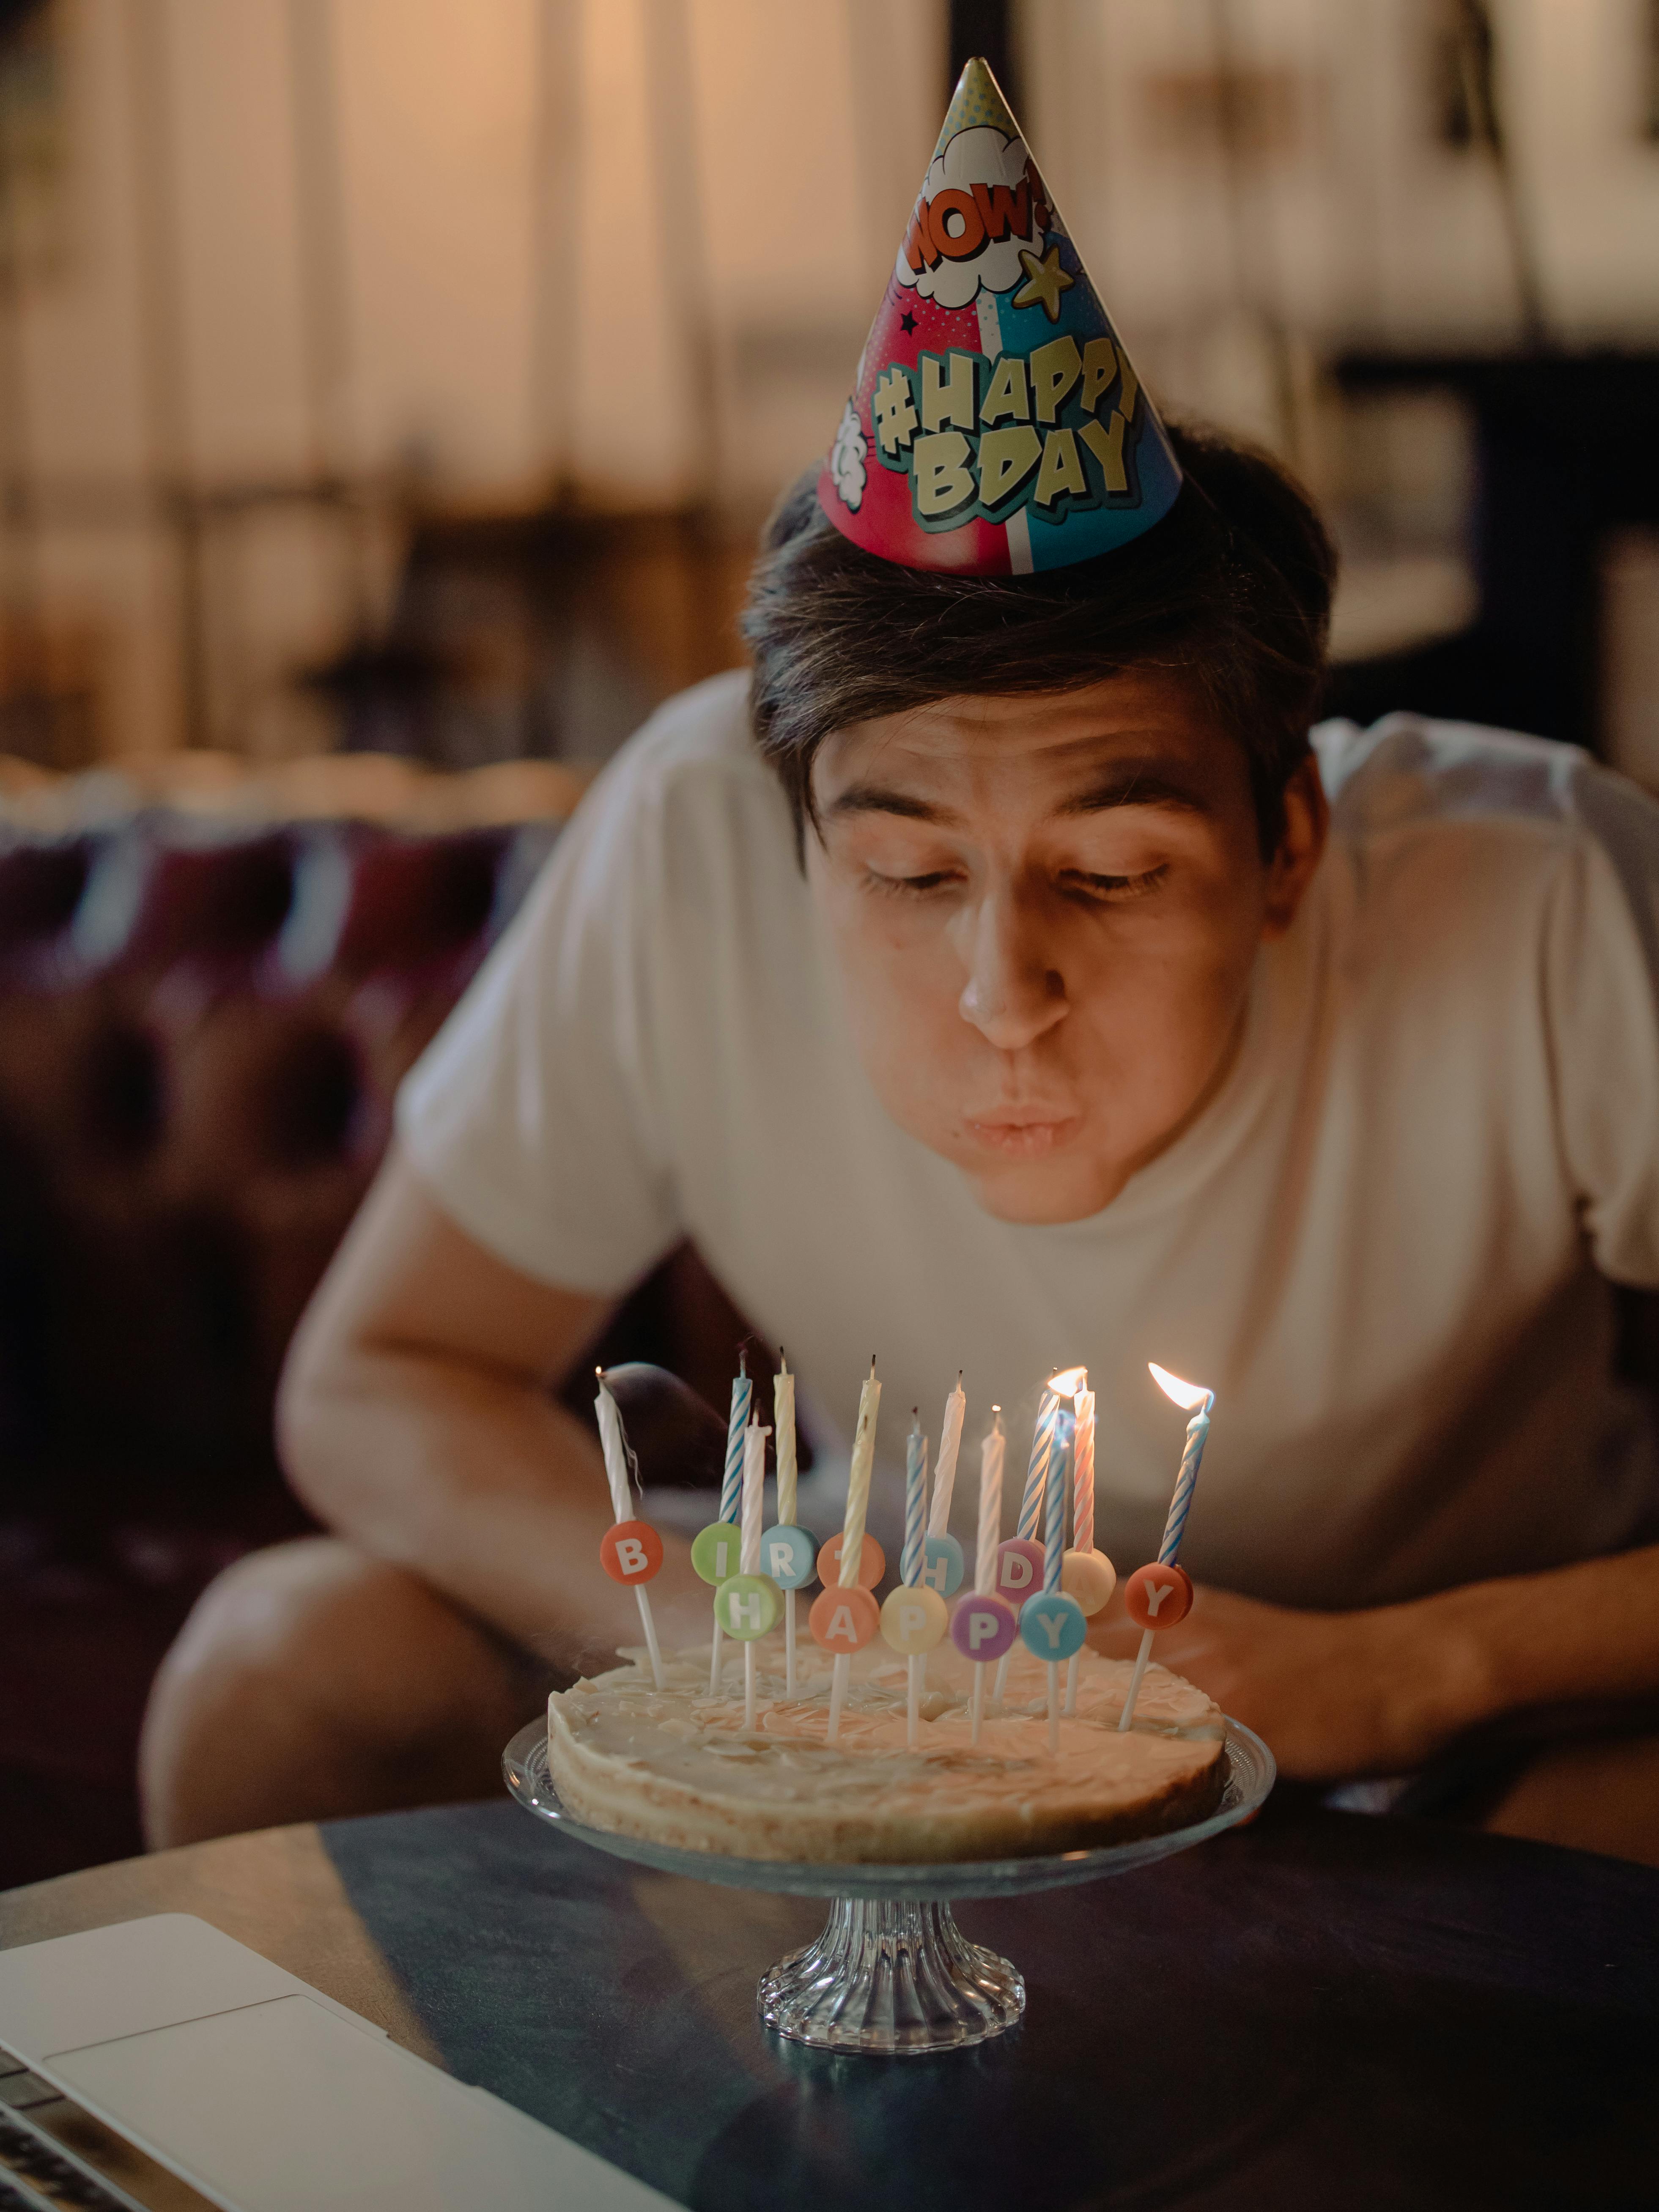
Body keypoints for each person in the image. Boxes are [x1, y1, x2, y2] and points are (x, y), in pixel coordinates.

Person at [140, 65, 1659, 1864]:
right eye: (908, 870)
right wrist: (733, 1651)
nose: (1000, 990)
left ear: (1288, 846)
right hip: (892, 1703)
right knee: (278, 1668)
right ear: (801, 840)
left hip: (1448, 1745)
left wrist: (1405, 1674)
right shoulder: (698, 832)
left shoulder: (1535, 888)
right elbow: (378, 1377)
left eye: (1110, 871)